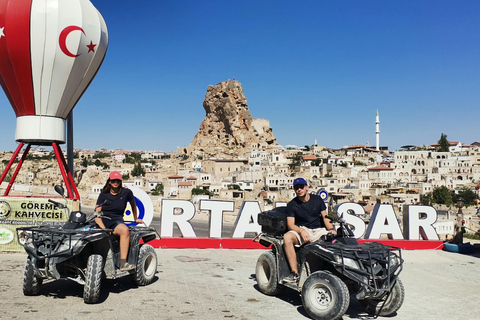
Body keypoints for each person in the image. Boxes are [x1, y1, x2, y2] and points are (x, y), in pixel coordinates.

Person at [282, 178, 336, 283]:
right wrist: (301, 231)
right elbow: (290, 225)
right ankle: (295, 274)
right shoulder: (292, 205)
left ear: (307, 188)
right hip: (302, 229)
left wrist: (331, 229)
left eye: (301, 187)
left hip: (318, 230)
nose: (299, 190)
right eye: (296, 188)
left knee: (335, 240)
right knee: (287, 238)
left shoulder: (317, 200)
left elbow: (325, 217)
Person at [95, 171, 143, 271]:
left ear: (120, 181)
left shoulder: (126, 192)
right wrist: (104, 228)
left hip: (116, 220)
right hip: (103, 220)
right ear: (109, 182)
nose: (115, 182)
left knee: (124, 230)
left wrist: (135, 218)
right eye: (113, 180)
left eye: (117, 180)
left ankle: (123, 263)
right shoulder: (104, 194)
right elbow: (97, 213)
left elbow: (133, 204)